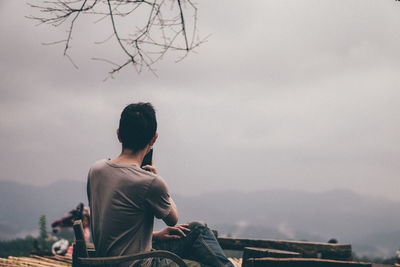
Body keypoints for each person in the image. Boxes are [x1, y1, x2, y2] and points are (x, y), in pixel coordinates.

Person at [87, 103, 233, 267]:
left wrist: (154, 235)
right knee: (200, 243)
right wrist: (155, 177)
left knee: (196, 228)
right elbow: (173, 219)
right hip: (139, 263)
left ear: (119, 135)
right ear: (154, 138)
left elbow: (113, 224)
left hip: (109, 260)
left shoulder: (96, 170)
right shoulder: (150, 182)